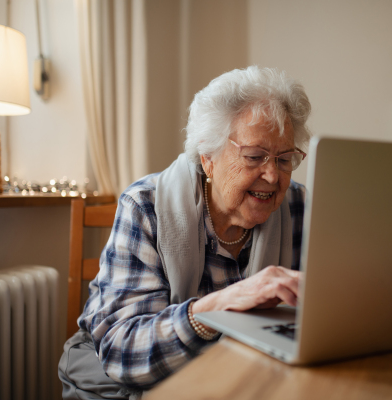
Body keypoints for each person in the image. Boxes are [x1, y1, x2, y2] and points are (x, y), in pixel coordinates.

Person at [58, 66, 312, 399]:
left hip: (239, 377)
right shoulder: (145, 205)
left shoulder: (298, 205)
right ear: (208, 157)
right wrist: (216, 308)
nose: (273, 176)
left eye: (284, 159)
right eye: (255, 156)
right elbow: (124, 354)